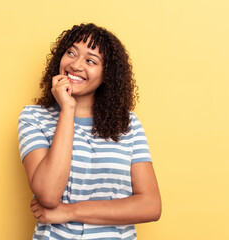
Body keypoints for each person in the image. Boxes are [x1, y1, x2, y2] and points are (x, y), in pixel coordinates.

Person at [18, 23, 161, 239]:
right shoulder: (33, 117)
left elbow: (150, 205)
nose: (75, 65)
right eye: (71, 53)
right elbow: (48, 194)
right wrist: (68, 108)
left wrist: (69, 211)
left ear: (107, 75)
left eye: (90, 60)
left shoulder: (128, 124)